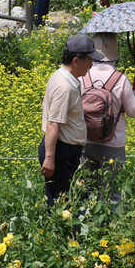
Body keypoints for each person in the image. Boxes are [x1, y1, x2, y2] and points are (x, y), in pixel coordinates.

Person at [39, 33, 98, 206]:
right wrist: (50, 158)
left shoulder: (62, 77)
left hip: (65, 151)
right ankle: (63, 233)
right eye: (89, 59)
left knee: (67, 200)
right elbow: (52, 124)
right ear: (76, 60)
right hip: (60, 152)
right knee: (63, 203)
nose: (92, 64)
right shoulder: (65, 87)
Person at [82, 32, 135, 201]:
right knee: (112, 193)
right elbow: (133, 112)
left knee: (88, 190)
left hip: (86, 141)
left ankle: (88, 223)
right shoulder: (121, 79)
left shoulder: (83, 76)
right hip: (113, 143)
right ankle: (110, 226)